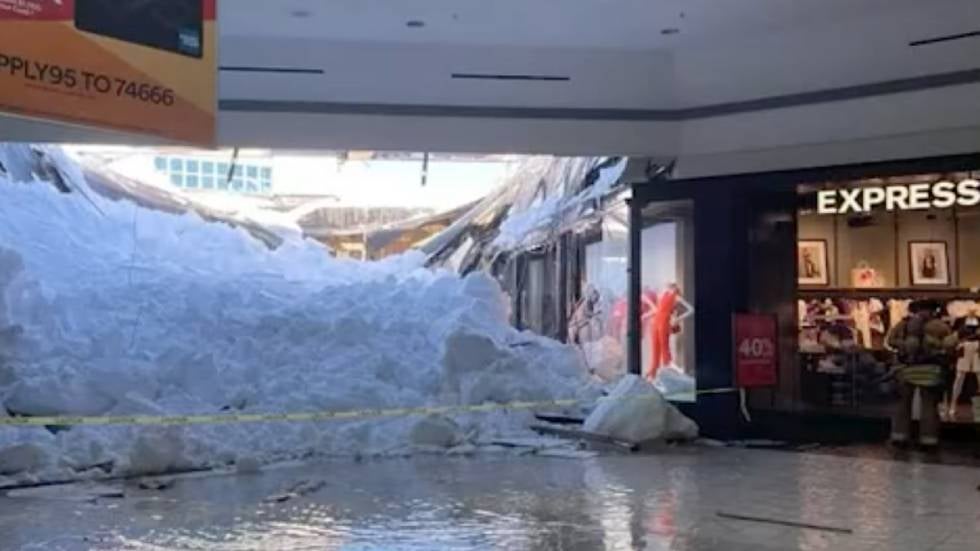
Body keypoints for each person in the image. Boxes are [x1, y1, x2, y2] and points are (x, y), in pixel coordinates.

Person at [886, 299, 957, 450]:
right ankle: (928, 440)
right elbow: (949, 345)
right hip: (930, 370)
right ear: (934, 310)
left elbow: (890, 341)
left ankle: (899, 437)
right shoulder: (940, 326)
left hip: (905, 368)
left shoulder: (904, 324)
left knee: (902, 404)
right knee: (929, 405)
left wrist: (903, 345)